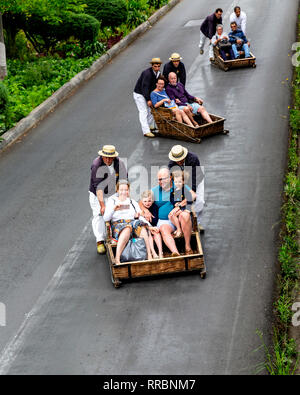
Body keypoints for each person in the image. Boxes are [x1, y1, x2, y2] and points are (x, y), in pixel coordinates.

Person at [103, 180, 153, 264]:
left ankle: (149, 255)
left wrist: (150, 226)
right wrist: (113, 209)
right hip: (118, 224)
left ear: (128, 191)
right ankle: (117, 258)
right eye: (121, 190)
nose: (124, 192)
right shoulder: (112, 201)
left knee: (142, 227)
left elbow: (140, 216)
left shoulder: (132, 202)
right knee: (127, 228)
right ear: (117, 190)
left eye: (126, 190)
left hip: (132, 222)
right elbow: (106, 218)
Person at [89, 145, 127, 255]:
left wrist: (122, 196)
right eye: (106, 157)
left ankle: (116, 236)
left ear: (114, 157)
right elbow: (98, 188)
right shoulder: (97, 165)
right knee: (99, 215)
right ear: (102, 156)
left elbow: (124, 180)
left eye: (110, 158)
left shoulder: (119, 163)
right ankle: (100, 241)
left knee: (116, 212)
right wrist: (102, 205)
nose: (108, 160)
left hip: (112, 192)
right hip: (97, 194)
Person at [152, 167, 193, 255]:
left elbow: (192, 195)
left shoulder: (178, 184)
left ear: (170, 177)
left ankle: (188, 247)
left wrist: (179, 206)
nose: (161, 181)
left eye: (164, 179)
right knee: (163, 228)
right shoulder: (155, 190)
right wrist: (145, 210)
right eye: (159, 179)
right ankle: (175, 253)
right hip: (166, 222)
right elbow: (141, 202)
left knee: (185, 215)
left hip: (179, 217)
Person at [168, 145, 205, 215]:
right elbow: (174, 181)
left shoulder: (193, 158)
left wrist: (190, 195)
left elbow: (194, 180)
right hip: (180, 181)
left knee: (199, 202)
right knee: (180, 201)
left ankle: (198, 223)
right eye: (177, 161)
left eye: (180, 159)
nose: (179, 162)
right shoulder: (171, 165)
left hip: (197, 179)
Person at [133, 57, 163, 138]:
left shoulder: (158, 73)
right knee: (143, 111)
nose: (157, 68)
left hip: (148, 93)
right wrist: (148, 100)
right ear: (152, 66)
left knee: (151, 110)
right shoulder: (147, 73)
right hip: (139, 94)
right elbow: (144, 87)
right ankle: (146, 131)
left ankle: (151, 126)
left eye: (158, 66)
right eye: (155, 66)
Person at [169, 170, 196, 238]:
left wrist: (187, 209)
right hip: (178, 206)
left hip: (185, 207)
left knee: (173, 215)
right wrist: (175, 203)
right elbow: (171, 198)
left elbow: (189, 198)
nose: (177, 183)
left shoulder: (185, 190)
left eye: (179, 182)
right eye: (176, 182)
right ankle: (178, 228)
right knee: (170, 216)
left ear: (183, 182)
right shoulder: (174, 191)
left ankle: (179, 230)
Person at [139, 190, 163, 259]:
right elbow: (140, 222)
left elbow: (155, 219)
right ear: (142, 201)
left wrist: (154, 227)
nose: (147, 203)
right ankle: (153, 252)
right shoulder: (140, 209)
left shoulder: (155, 207)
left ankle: (160, 252)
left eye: (149, 201)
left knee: (156, 233)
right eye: (145, 201)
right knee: (149, 233)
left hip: (154, 226)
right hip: (145, 229)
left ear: (152, 201)